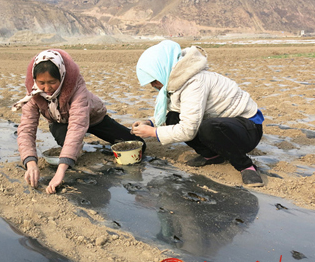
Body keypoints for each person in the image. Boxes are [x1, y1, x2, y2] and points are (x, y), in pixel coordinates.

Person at [131, 40, 264, 187]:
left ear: (164, 69)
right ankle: (213, 155)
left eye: (154, 80)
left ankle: (246, 166)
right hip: (224, 124)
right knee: (173, 118)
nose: (153, 85)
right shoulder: (177, 81)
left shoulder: (194, 82)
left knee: (208, 128)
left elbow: (188, 130)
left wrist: (153, 132)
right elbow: (174, 112)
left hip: (247, 129)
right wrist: (150, 123)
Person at [14, 49, 146, 194]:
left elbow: (77, 126)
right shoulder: (33, 95)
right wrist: (31, 164)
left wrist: (60, 172)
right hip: (61, 123)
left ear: (62, 77)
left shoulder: (75, 87)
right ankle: (76, 149)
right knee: (70, 151)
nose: (47, 88)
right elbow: (26, 128)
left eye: (52, 82)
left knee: (137, 143)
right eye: (41, 83)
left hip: (94, 118)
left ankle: (76, 149)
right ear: (35, 80)